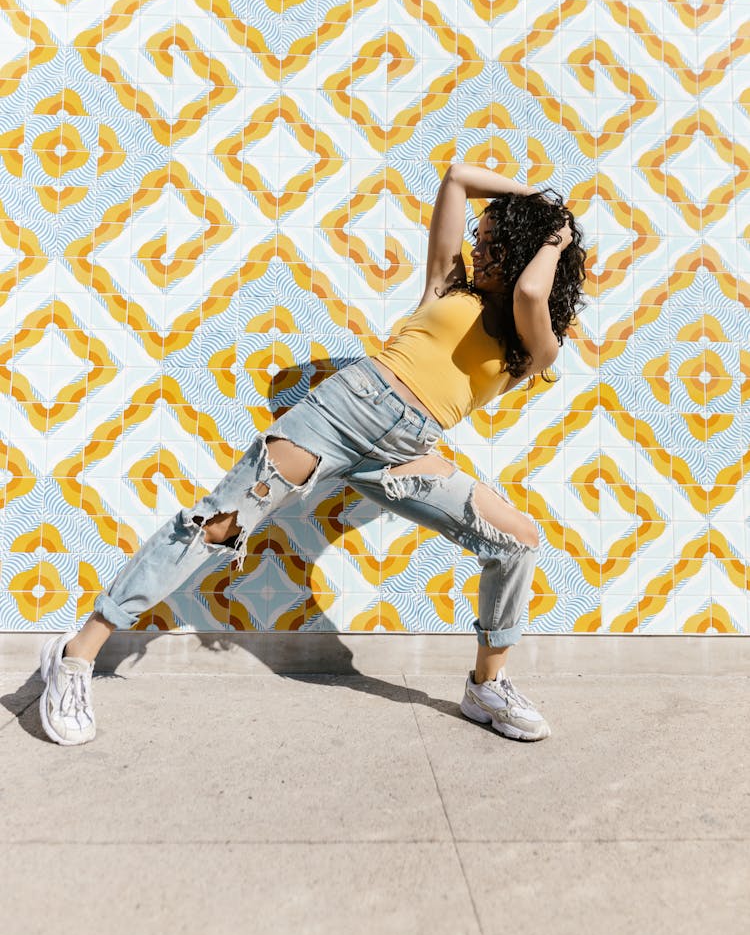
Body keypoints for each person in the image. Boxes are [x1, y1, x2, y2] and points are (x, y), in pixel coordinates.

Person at [38, 163, 586, 746]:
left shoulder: (537, 344)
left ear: (526, 249)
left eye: (494, 241)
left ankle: (487, 685)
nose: (479, 248)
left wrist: (554, 229)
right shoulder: (449, 284)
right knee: (215, 526)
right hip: (339, 414)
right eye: (481, 238)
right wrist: (532, 198)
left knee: (516, 537)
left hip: (404, 453)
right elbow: (456, 179)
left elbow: (530, 290)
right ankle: (75, 657)